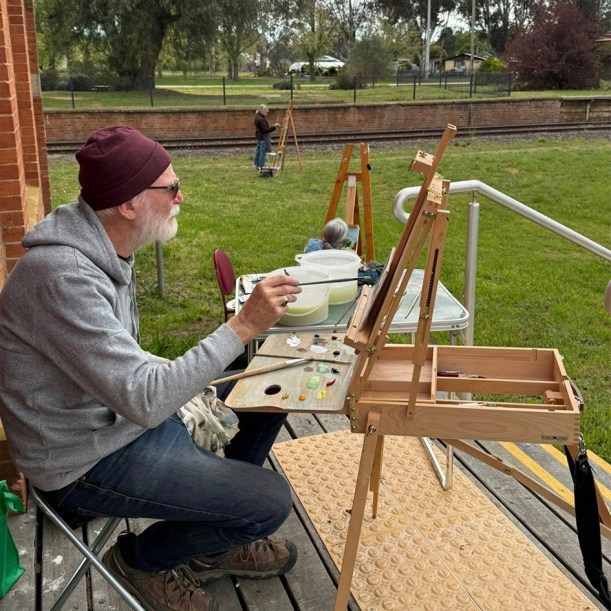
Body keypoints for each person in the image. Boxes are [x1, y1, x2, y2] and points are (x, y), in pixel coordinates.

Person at [0, 125, 302, 611]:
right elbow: (143, 400)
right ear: (128, 204)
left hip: (120, 420)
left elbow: (126, 371)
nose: (181, 197)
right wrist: (244, 325)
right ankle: (141, 560)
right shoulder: (63, 276)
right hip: (80, 461)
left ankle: (215, 540)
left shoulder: (107, 250)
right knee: (269, 501)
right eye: (171, 187)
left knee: (271, 388)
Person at [254, 104, 280, 171]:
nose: (267, 113)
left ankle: (256, 165)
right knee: (262, 153)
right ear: (263, 111)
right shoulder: (261, 119)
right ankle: (261, 166)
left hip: (259, 137)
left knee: (258, 151)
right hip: (263, 137)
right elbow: (265, 130)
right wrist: (274, 127)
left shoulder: (257, 116)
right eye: (266, 111)